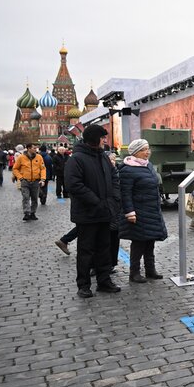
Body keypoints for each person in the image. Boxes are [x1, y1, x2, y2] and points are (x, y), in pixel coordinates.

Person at [65, 124, 122, 298]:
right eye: (103, 137)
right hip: (87, 214)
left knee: (104, 248)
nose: (105, 140)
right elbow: (74, 185)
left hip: (105, 212)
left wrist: (113, 200)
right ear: (94, 139)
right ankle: (84, 285)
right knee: (86, 250)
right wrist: (96, 201)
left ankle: (104, 281)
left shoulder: (103, 157)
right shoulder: (77, 159)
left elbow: (114, 178)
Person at [118, 139, 167, 283]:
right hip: (138, 212)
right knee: (138, 243)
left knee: (150, 242)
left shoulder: (148, 165)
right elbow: (125, 193)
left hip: (151, 210)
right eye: (144, 149)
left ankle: (150, 270)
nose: (148, 152)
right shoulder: (128, 169)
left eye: (148, 149)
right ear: (135, 152)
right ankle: (134, 273)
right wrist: (130, 212)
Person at [12, 143, 46, 221]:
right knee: (25, 197)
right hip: (25, 181)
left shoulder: (39, 157)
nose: (36, 149)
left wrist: (43, 179)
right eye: (34, 148)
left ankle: (33, 213)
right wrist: (20, 178)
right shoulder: (21, 157)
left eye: (36, 148)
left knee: (35, 198)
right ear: (28, 148)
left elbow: (43, 168)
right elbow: (15, 169)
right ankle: (27, 213)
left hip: (36, 181)